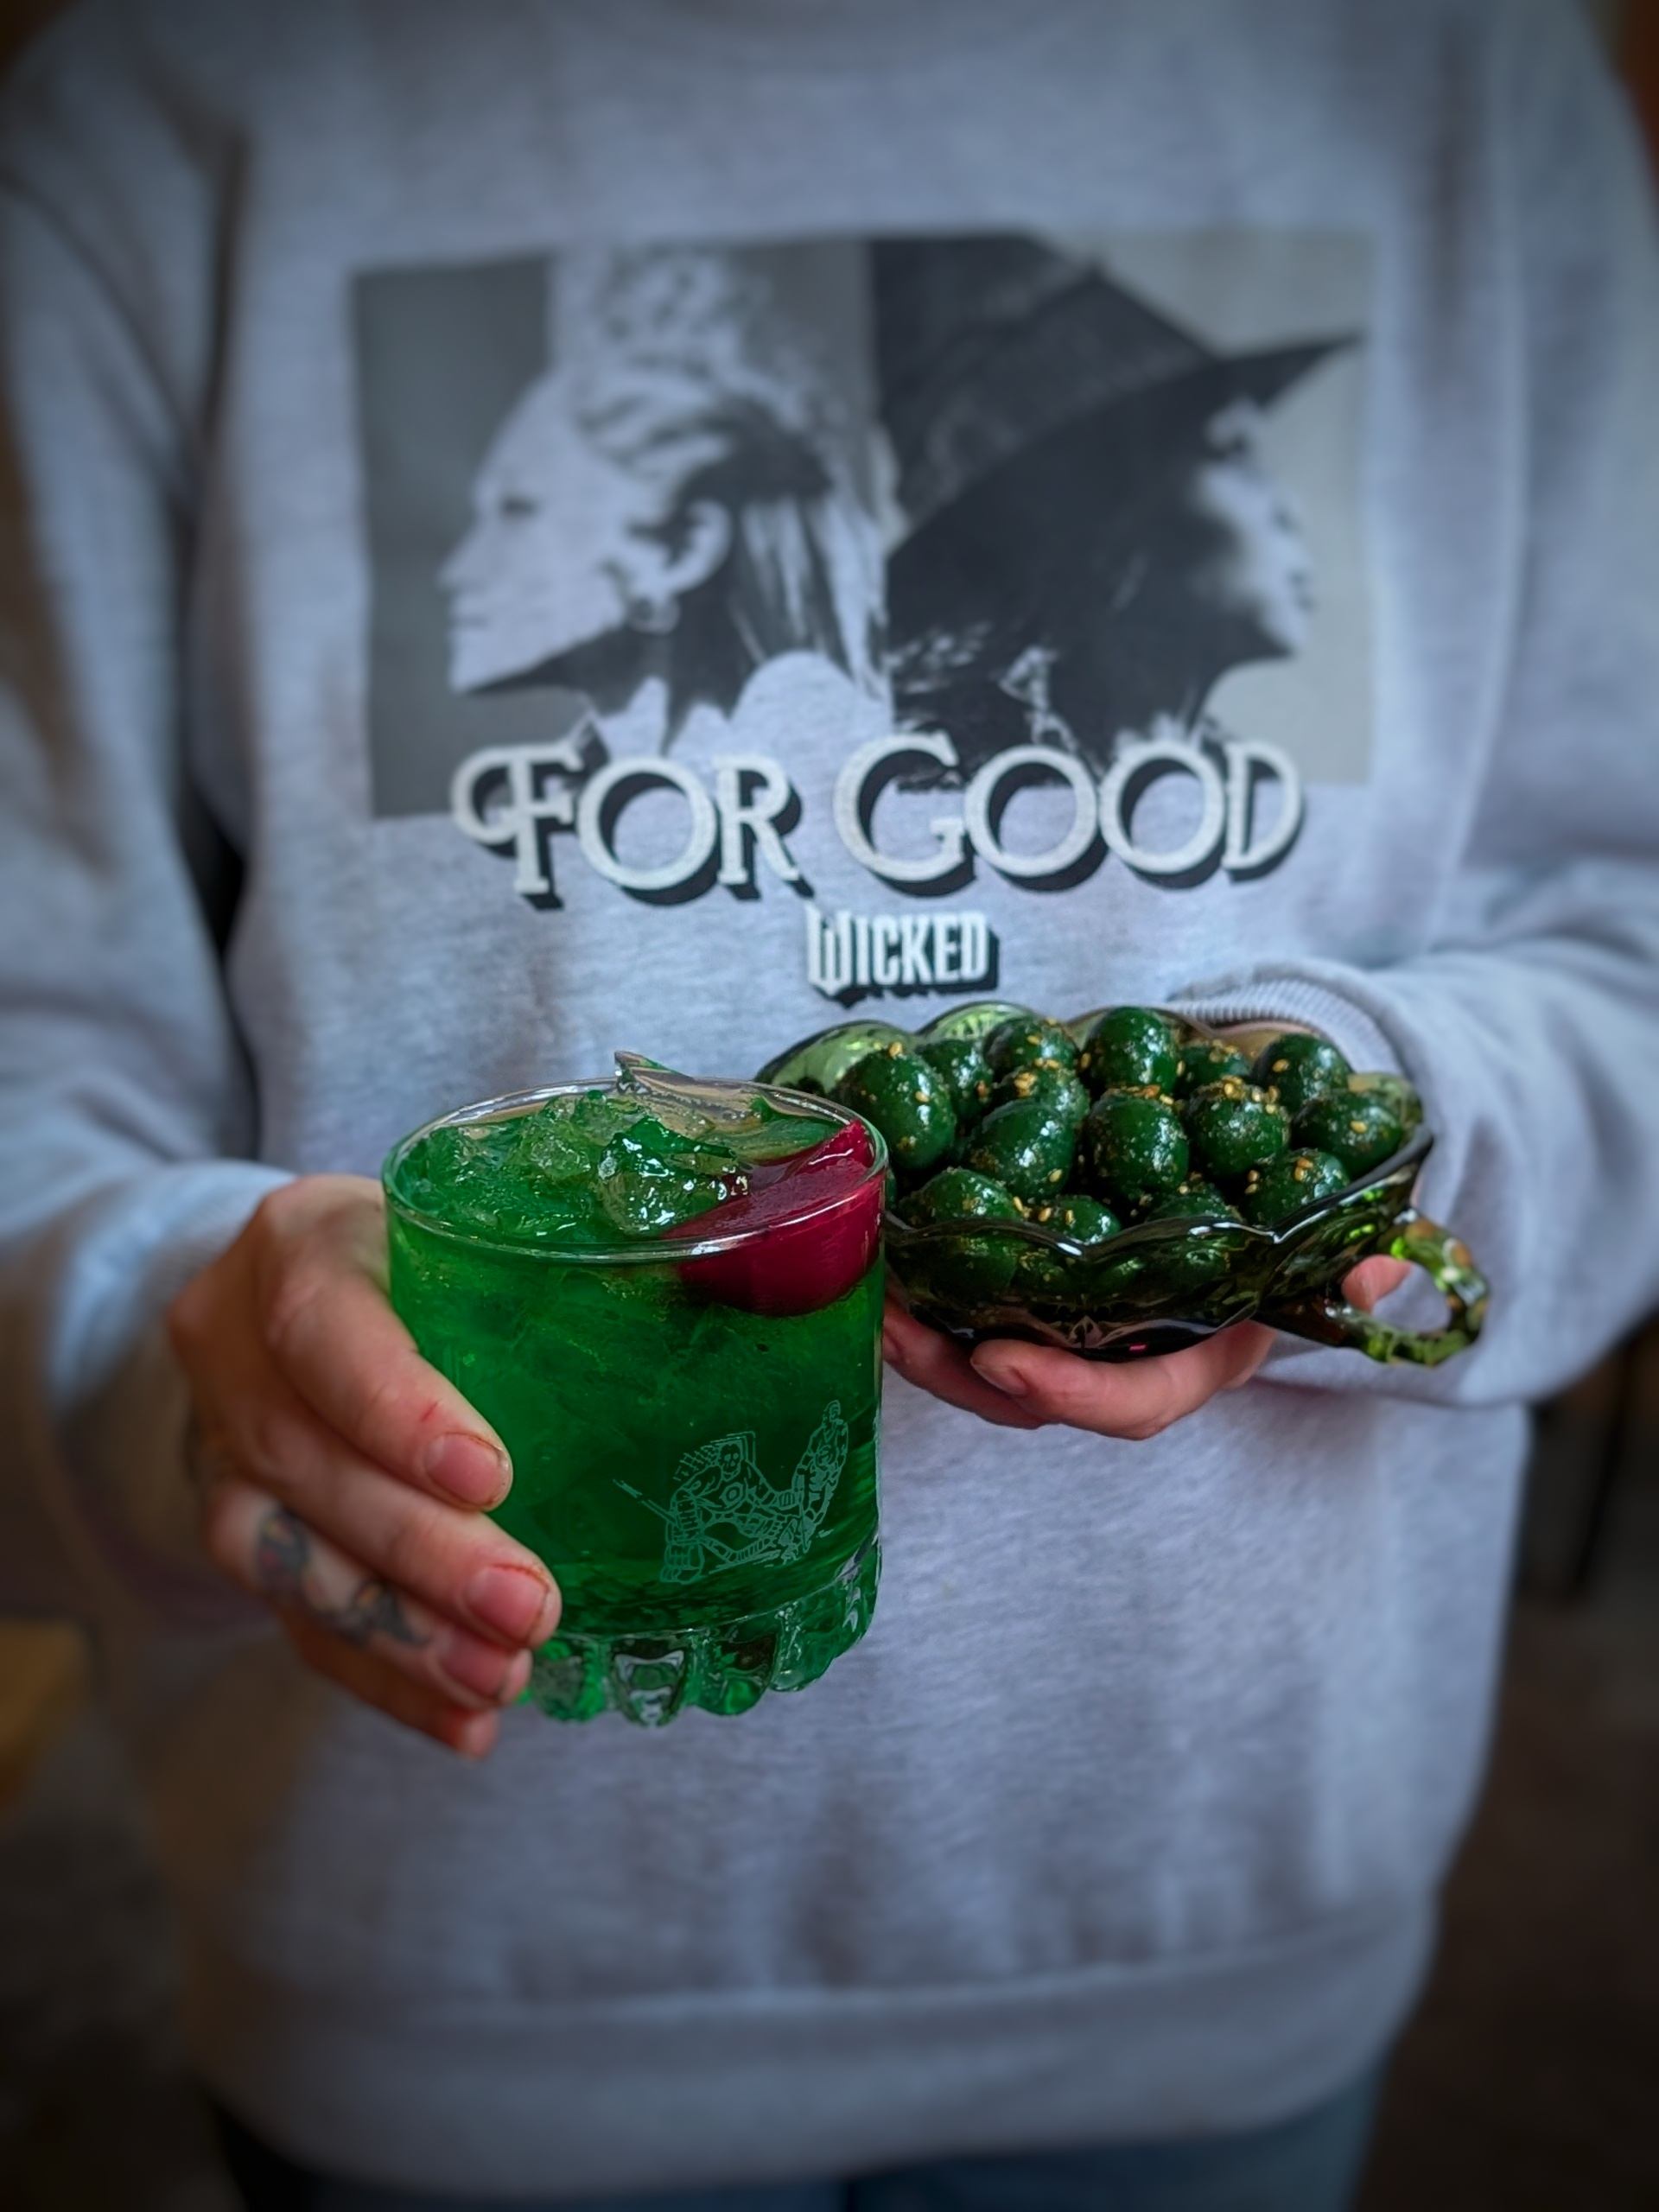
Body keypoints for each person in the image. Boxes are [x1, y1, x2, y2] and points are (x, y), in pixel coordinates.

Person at [3, 4, 1657, 2210]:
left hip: (1213, 1955)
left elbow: (1629, 950)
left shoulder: (1452, 68)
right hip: (454, 1972)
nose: (1267, 490)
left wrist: (1365, 1165)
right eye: (1219, 445)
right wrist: (188, 1353)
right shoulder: (178, 103)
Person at [879, 235, 1349, 776]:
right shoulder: (932, 761)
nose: (1288, 510)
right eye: (1233, 453)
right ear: (1111, 502)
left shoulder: (1243, 784)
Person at [440, 244, 885, 760]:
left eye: (519, 513)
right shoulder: (575, 781)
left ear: (683, 551)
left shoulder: (819, 750)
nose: (457, 573)